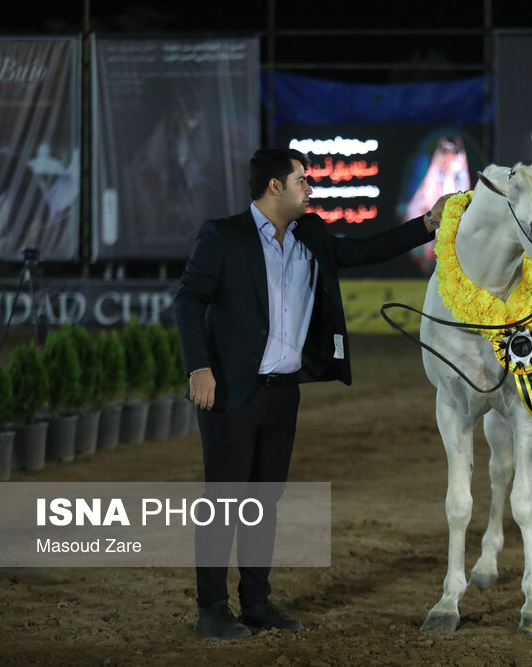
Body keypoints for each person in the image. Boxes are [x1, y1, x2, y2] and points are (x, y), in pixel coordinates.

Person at [174, 148, 448, 638]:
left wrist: (427, 223)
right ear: (275, 186)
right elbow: (189, 301)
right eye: (302, 179)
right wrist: (199, 368)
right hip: (231, 391)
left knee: (265, 502)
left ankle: (256, 602)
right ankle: (211, 608)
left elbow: (364, 250)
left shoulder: (312, 234)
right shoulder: (223, 235)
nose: (311, 187)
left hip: (283, 394)